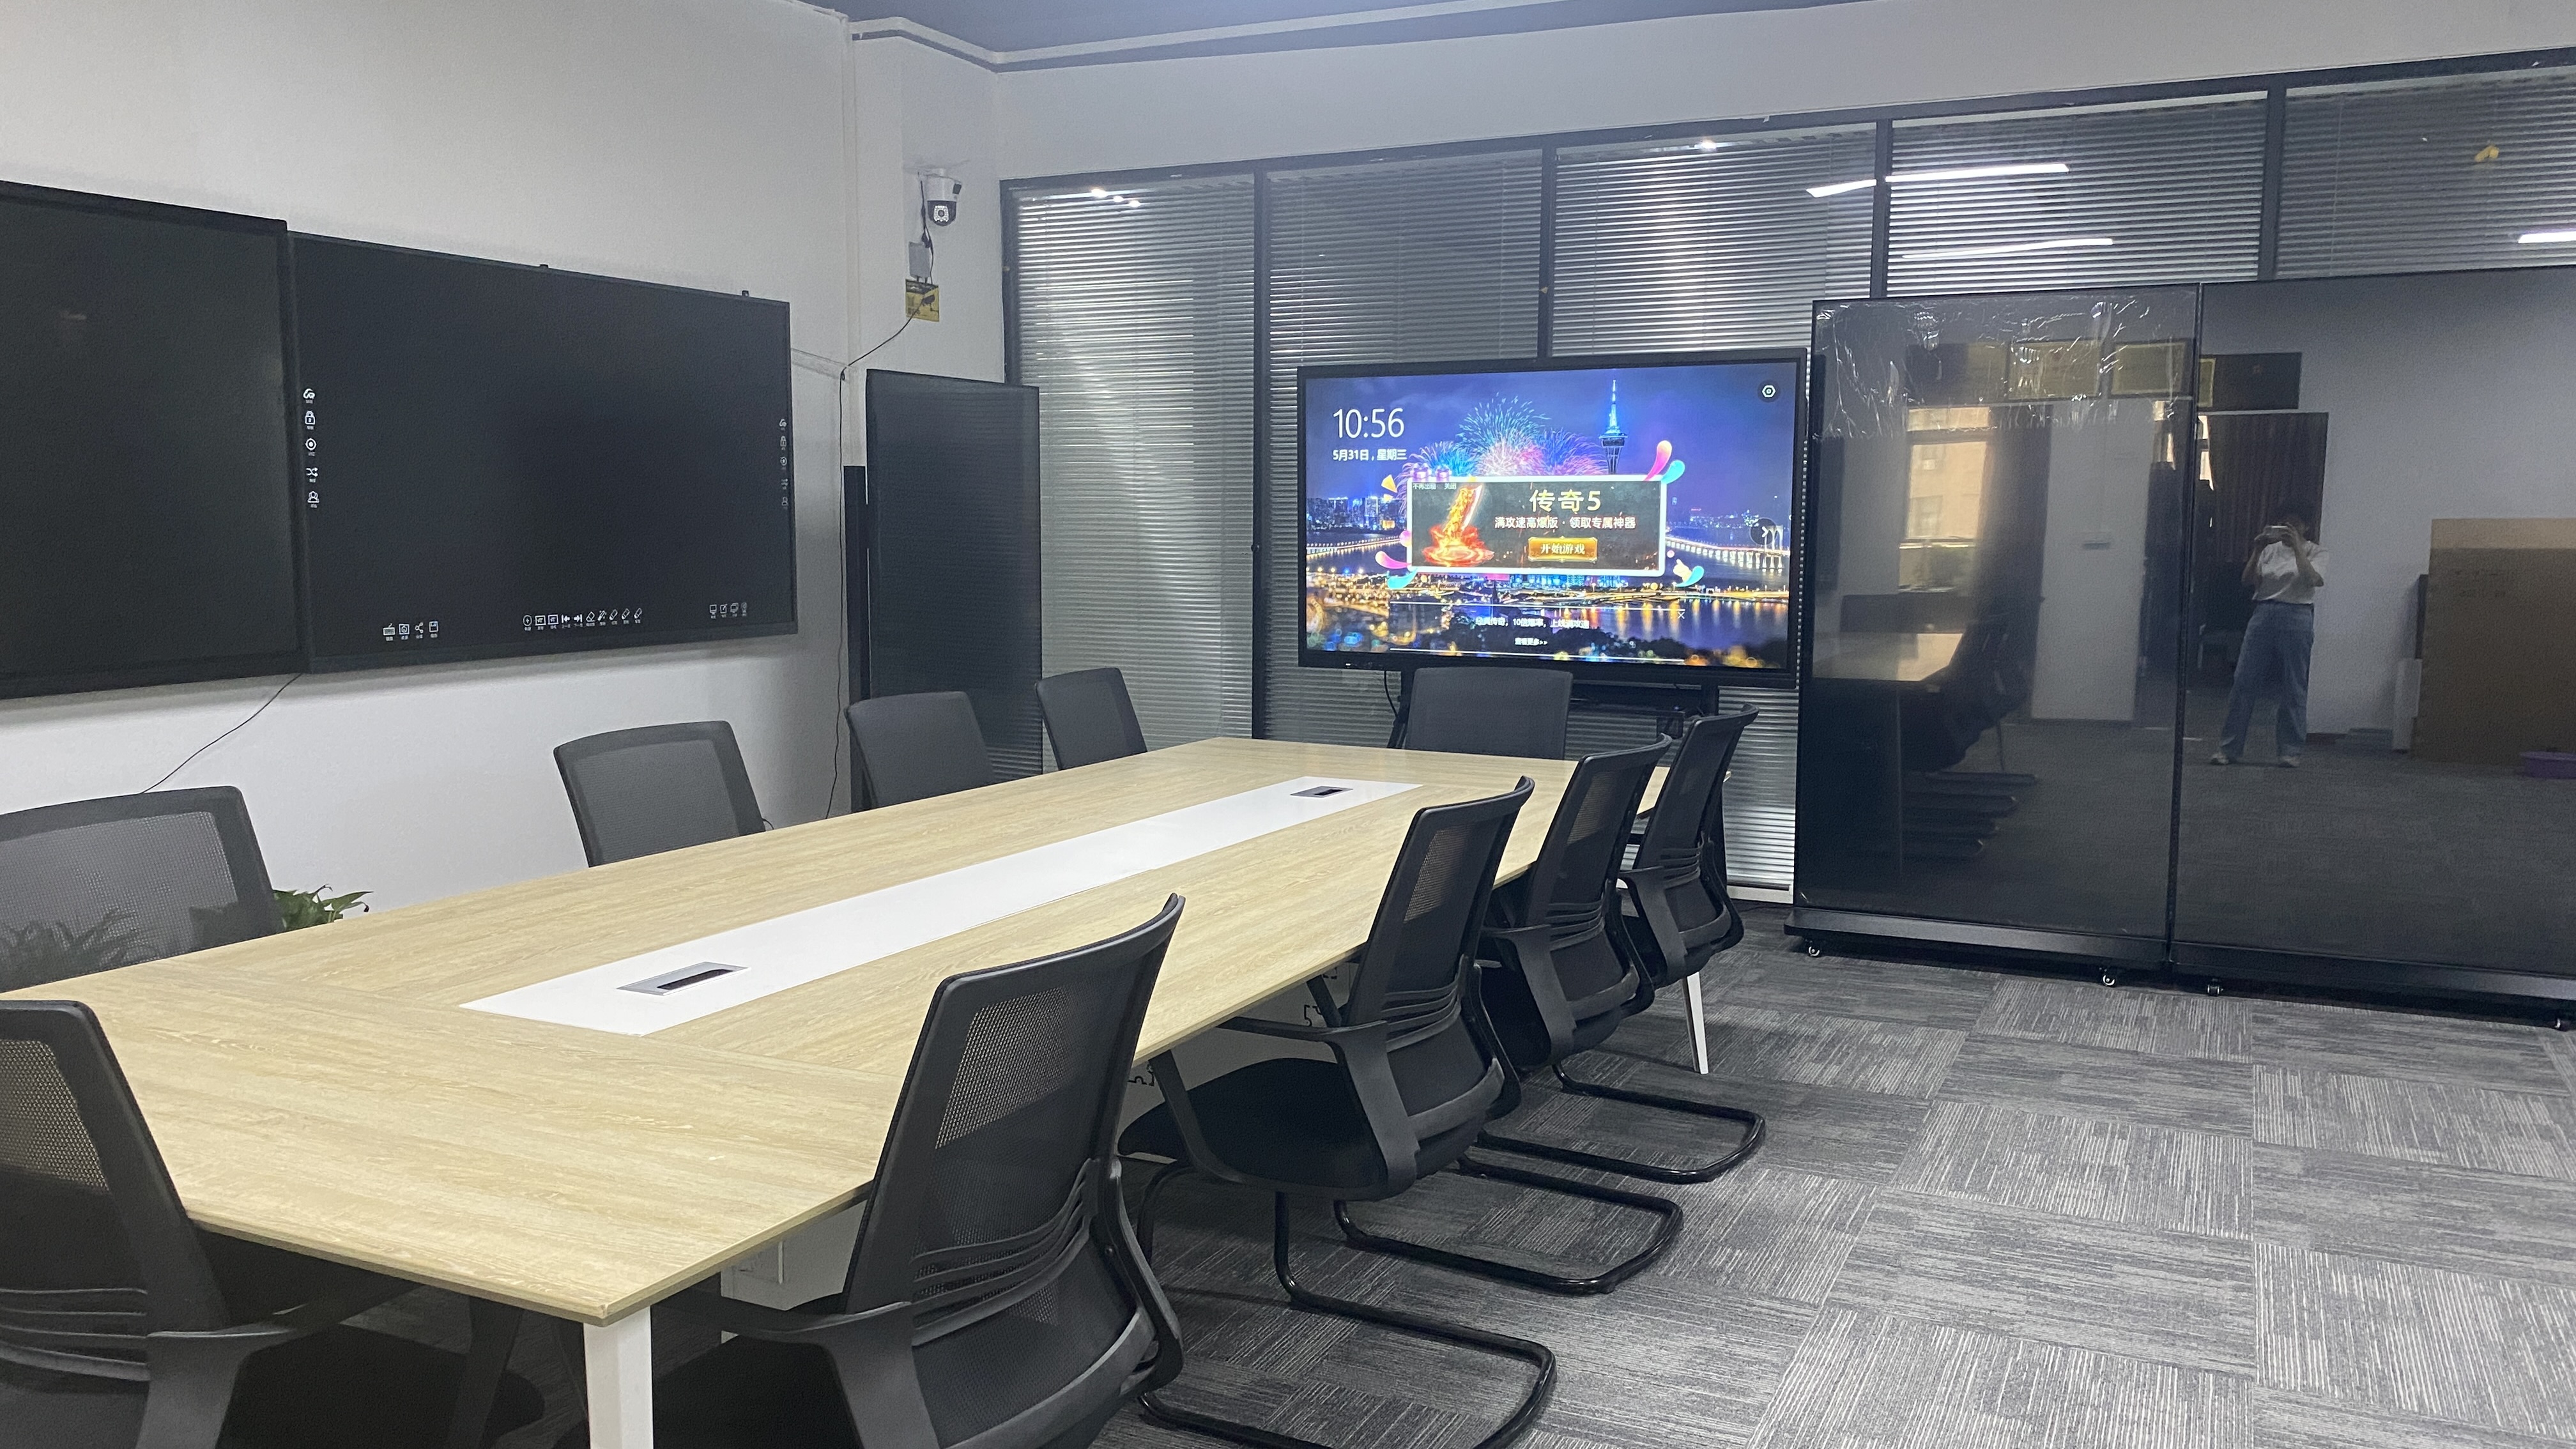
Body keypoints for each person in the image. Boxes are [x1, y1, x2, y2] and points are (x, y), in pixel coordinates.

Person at [2213, 507, 2327, 768]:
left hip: (2298, 613)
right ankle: (2229, 748)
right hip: (2264, 611)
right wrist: (2257, 549)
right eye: (2284, 524)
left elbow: (2313, 579)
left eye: (2294, 525)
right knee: (2243, 681)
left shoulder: (2317, 552)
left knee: (2294, 684)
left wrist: (2297, 548)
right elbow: (2247, 580)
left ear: (2306, 527)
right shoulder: (2269, 551)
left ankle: (2290, 751)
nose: (2288, 529)